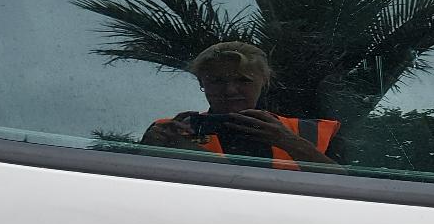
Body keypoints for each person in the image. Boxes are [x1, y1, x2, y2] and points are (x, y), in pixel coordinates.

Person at [139, 41, 342, 171]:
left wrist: (290, 142)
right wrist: (149, 149)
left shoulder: (310, 133)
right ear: (202, 84)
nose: (230, 90)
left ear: (263, 82)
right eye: (217, 81)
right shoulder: (169, 131)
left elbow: (348, 184)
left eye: (243, 80)